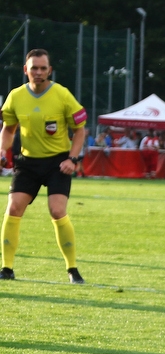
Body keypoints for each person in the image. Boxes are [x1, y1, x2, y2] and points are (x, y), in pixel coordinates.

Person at [0, 49, 88, 283]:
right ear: (25, 70)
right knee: (14, 208)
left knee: (57, 210)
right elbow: (9, 129)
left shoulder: (62, 95)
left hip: (57, 163)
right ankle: (6, 268)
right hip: (27, 162)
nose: (38, 72)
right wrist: (2, 149)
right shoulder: (15, 96)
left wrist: (73, 159)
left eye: (43, 68)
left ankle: (72, 269)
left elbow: (80, 130)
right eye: (34, 68)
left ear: (49, 70)